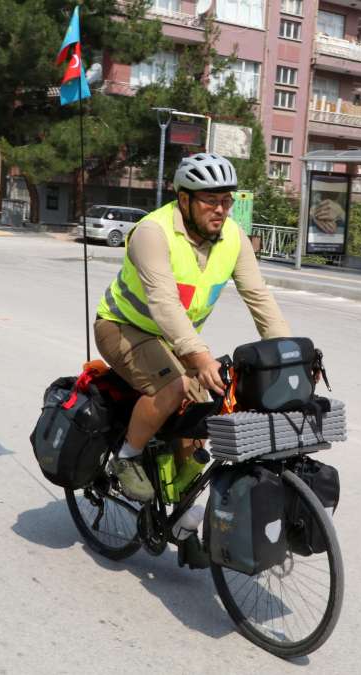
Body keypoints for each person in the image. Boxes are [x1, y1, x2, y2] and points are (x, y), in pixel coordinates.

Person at [94, 151, 290, 514]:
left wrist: (287, 353)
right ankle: (126, 457)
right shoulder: (152, 233)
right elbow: (164, 303)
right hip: (122, 327)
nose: (221, 210)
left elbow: (258, 296)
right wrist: (197, 356)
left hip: (173, 339)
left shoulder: (233, 238)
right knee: (174, 387)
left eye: (226, 201)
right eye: (211, 201)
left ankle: (180, 513)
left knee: (208, 406)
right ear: (184, 199)